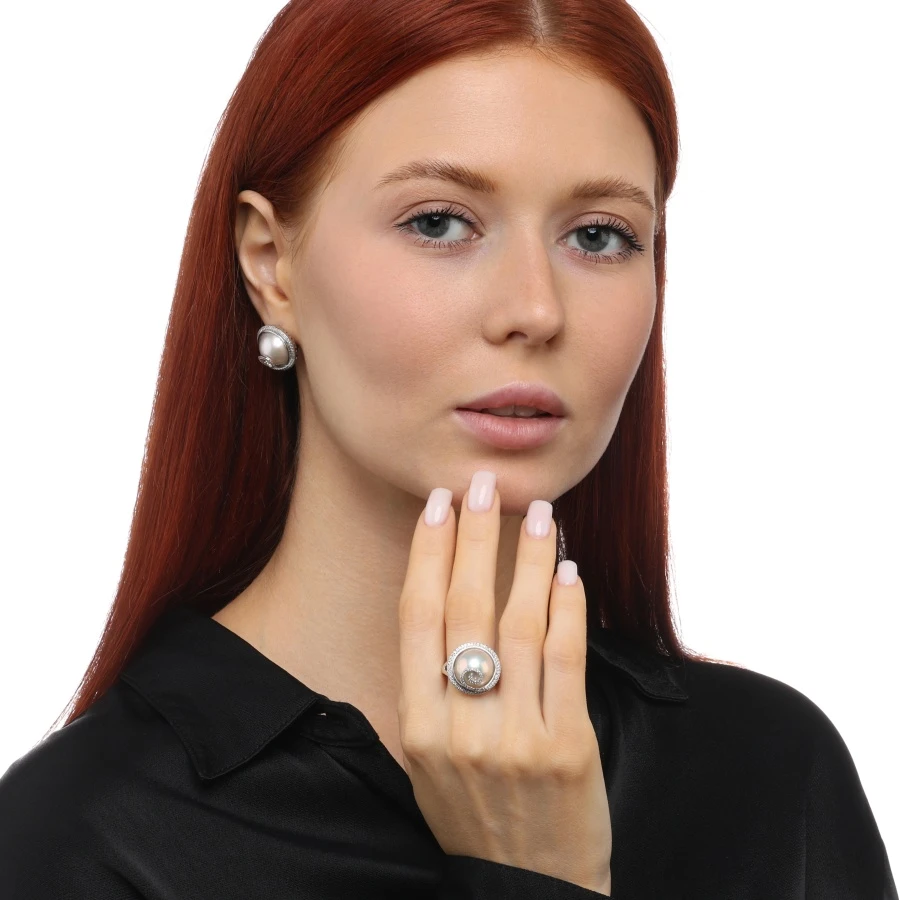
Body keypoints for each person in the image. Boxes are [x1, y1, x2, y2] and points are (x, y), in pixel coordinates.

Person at [0, 0, 895, 896]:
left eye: (599, 235)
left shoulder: (770, 776)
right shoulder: (78, 839)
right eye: (439, 223)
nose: (535, 310)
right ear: (271, 263)